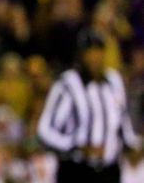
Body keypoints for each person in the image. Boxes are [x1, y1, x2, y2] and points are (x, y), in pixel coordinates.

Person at [37, 28, 141, 182]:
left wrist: (132, 144)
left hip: (110, 169)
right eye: (89, 52)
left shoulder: (114, 80)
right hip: (77, 170)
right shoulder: (67, 84)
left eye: (98, 51)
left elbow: (122, 119)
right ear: (80, 55)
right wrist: (77, 146)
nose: (94, 57)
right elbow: (44, 130)